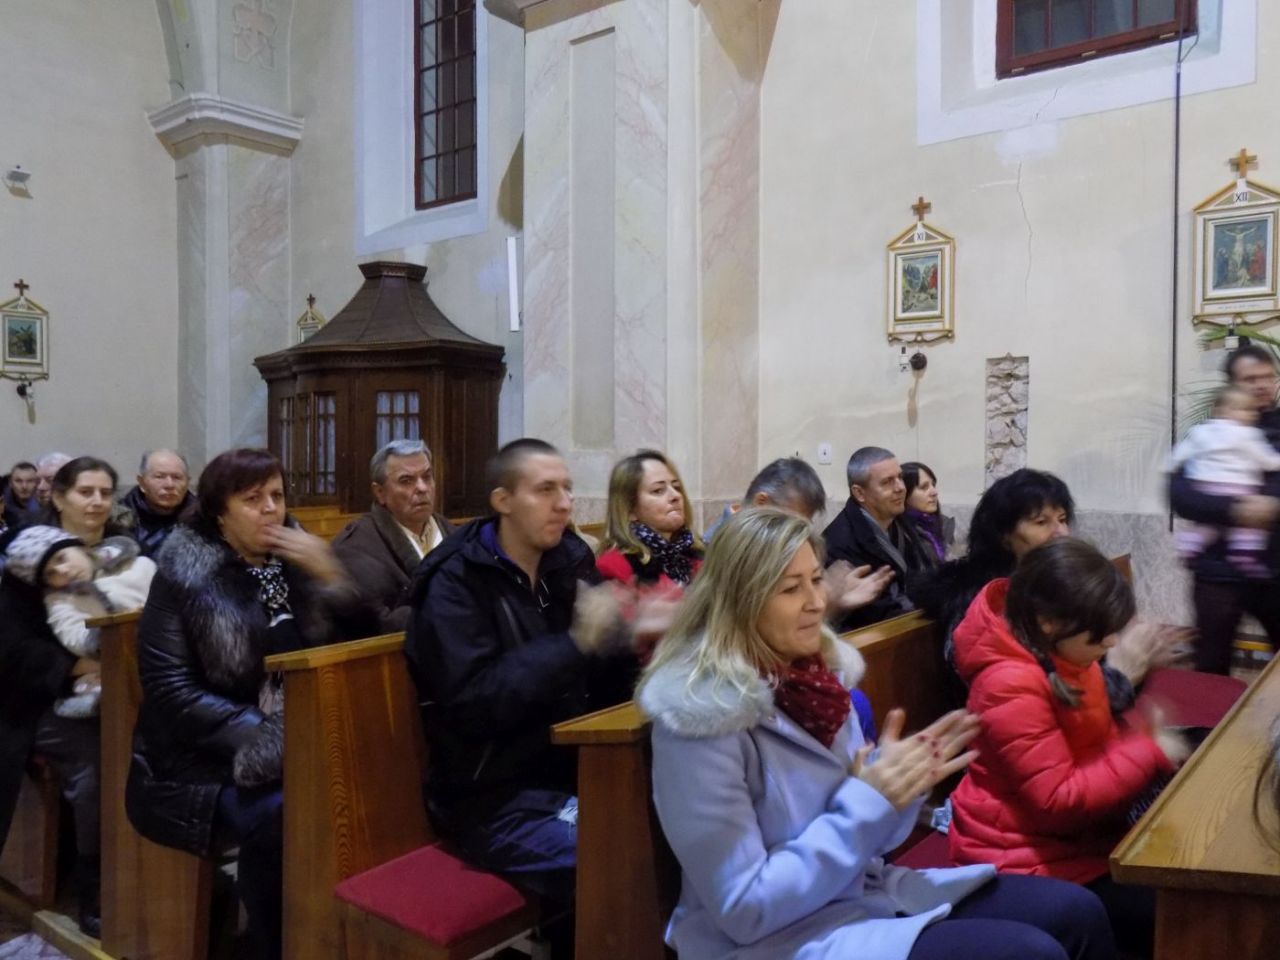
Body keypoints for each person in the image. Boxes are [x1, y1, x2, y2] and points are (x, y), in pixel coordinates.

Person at [637, 508, 1117, 960]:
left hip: (859, 894)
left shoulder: (818, 682)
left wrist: (899, 787)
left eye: (816, 579)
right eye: (790, 589)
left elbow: (874, 843)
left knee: (1076, 911)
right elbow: (745, 909)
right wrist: (868, 801)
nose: (816, 602)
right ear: (741, 603)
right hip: (780, 940)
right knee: (1028, 952)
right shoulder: (701, 722)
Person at [126, 449, 377, 960]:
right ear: (219, 512)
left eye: (277, 496)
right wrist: (277, 739)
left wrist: (333, 578)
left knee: (373, 787)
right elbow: (172, 692)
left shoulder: (299, 563)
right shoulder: (182, 575)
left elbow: (362, 650)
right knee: (284, 813)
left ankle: (339, 935)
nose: (270, 509)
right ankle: (276, 945)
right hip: (196, 764)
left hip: (302, 739)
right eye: (252, 498)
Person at [405, 439, 641, 908]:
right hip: (491, 797)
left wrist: (638, 636)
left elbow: (604, 672)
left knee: (680, 825)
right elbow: (474, 704)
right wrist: (577, 643)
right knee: (619, 857)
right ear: (503, 500)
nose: (565, 503)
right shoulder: (454, 582)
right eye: (546, 490)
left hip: (572, 770)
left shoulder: (567, 559)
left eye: (567, 488)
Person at [948, 538, 1189, 959]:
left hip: (1073, 840)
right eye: (1100, 635)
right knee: (1174, 911)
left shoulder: (1068, 657)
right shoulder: (1009, 684)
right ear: (1049, 623)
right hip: (1019, 854)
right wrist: (1147, 751)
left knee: (1182, 871)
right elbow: (1057, 798)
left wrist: (1143, 744)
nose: (1111, 644)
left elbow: (1091, 742)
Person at [0, 455, 123, 935]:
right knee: (95, 763)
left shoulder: (122, 549)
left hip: (122, 684)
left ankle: (161, 872)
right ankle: (96, 887)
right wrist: (78, 666)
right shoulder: (29, 554)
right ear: (58, 497)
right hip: (37, 700)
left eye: (105, 492)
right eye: (85, 492)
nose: (97, 501)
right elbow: (12, 648)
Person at [1171, 344, 1280, 674]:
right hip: (1217, 573)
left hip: (1276, 570)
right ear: (1231, 384)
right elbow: (1180, 495)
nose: (1262, 385)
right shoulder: (1206, 434)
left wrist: (1273, 506)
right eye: (1250, 379)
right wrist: (1236, 508)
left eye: (1268, 376)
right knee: (1211, 664)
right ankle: (1211, 715)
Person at [5, 529, 155, 718]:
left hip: (161, 645)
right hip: (110, 655)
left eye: (61, 558)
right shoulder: (59, 600)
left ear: (82, 548)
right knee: (100, 686)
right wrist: (99, 640)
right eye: (50, 574)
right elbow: (71, 631)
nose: (63, 571)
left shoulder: (139, 565)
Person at [332, 439, 454, 632]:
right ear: (380, 492)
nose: (422, 488)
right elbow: (379, 626)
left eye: (427, 477)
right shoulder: (355, 547)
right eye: (406, 481)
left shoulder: (455, 534)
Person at [823, 446, 934, 630]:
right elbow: (874, 614)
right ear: (860, 493)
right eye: (887, 482)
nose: (900, 487)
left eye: (900, 477)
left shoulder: (900, 520)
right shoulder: (839, 543)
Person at [595, 450, 703, 586]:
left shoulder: (697, 551)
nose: (676, 495)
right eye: (658, 490)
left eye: (676, 487)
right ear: (629, 509)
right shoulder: (615, 566)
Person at [703, 456, 828, 540]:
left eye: (802, 528)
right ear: (761, 503)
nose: (795, 536)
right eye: (790, 524)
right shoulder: (715, 548)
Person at [119, 449, 196, 557]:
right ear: (142, 482)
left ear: (187, 482)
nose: (169, 485)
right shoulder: (117, 519)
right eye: (159, 477)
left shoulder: (204, 519)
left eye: (177, 477)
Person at [902, 461, 954, 563]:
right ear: (905, 493)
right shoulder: (899, 532)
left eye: (933, 485)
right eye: (924, 487)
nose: (934, 492)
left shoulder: (944, 525)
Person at [2, 460, 38, 528]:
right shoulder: (2, 508)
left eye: (30, 481)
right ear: (10, 483)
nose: (24, 486)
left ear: (37, 482)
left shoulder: (46, 505)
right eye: (18, 481)